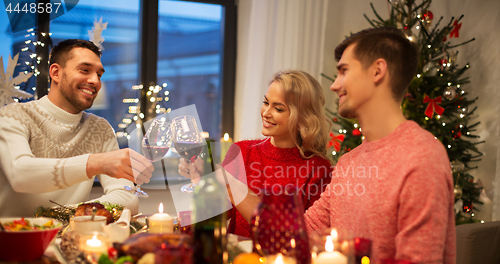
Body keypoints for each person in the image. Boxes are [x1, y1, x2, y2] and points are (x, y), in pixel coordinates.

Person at [230, 27, 456, 264]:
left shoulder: (421, 157)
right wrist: (227, 181)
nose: (335, 85)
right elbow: (297, 235)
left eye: (344, 71)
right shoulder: (349, 163)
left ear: (377, 71)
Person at [0, 39, 153, 217]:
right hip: (15, 239)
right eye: (85, 70)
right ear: (56, 73)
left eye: (99, 75)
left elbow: (127, 197)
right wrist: (96, 162)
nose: (95, 81)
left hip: (73, 238)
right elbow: (20, 174)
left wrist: (72, 214)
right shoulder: (13, 115)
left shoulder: (100, 129)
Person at [179, 70, 332, 238]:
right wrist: (204, 185)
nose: (266, 113)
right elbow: (216, 216)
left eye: (278, 108)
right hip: (237, 259)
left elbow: (306, 236)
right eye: (266, 103)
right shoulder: (241, 151)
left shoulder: (318, 169)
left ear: (303, 117)